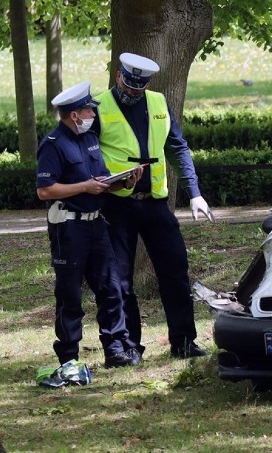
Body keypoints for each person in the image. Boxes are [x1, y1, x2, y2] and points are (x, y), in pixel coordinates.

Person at [93, 53, 214, 360]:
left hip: (156, 204)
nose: (132, 91)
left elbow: (177, 147)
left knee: (175, 271)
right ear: (119, 76)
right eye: (129, 84)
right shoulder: (97, 107)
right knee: (120, 279)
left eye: (139, 87)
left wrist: (195, 193)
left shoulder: (159, 103)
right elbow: (88, 158)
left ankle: (184, 342)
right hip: (117, 206)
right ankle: (129, 347)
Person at [36, 81, 143, 369]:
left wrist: (124, 181)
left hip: (97, 225)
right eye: (88, 111)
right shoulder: (53, 145)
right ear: (74, 115)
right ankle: (69, 356)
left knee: (111, 288)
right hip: (69, 229)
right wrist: (83, 187)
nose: (93, 116)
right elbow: (45, 191)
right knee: (70, 293)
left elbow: (102, 180)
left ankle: (116, 349)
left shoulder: (89, 140)